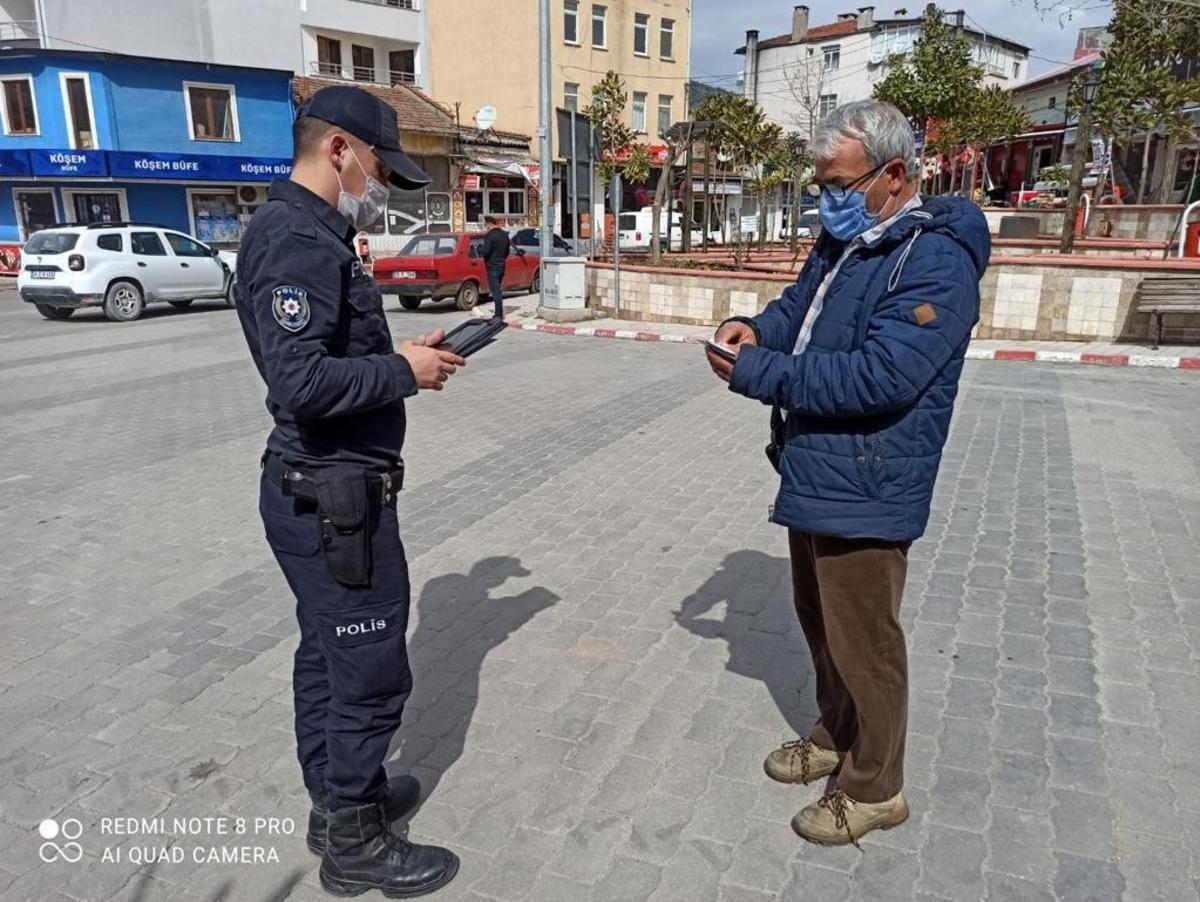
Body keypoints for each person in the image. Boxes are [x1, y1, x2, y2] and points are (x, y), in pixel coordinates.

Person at [705, 99, 990, 847]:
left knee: (867, 641)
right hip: (816, 467)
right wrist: (756, 329)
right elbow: (801, 307)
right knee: (821, 624)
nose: (824, 197)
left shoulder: (932, 258)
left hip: (870, 477)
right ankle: (835, 733)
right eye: (819, 182)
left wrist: (758, 372)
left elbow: (882, 377)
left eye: (838, 182)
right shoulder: (849, 240)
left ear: (894, 176)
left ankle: (876, 786)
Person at [234, 85, 465, 897]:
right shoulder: (296, 239)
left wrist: (398, 355)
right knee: (368, 673)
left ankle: (339, 801)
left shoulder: (307, 234)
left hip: (326, 490)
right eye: (376, 167)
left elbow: (326, 354)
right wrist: (405, 370)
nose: (380, 187)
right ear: (338, 150)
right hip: (334, 499)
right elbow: (300, 379)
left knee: (328, 658)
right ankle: (355, 847)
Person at [480, 215, 510, 319]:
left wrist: (480, 249)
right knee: (498, 290)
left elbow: (486, 251)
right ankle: (499, 311)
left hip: (492, 266)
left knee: (495, 291)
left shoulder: (490, 235)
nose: (485, 226)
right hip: (502, 266)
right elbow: (507, 251)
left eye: (485, 224)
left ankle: (498, 314)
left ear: (488, 224)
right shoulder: (504, 235)